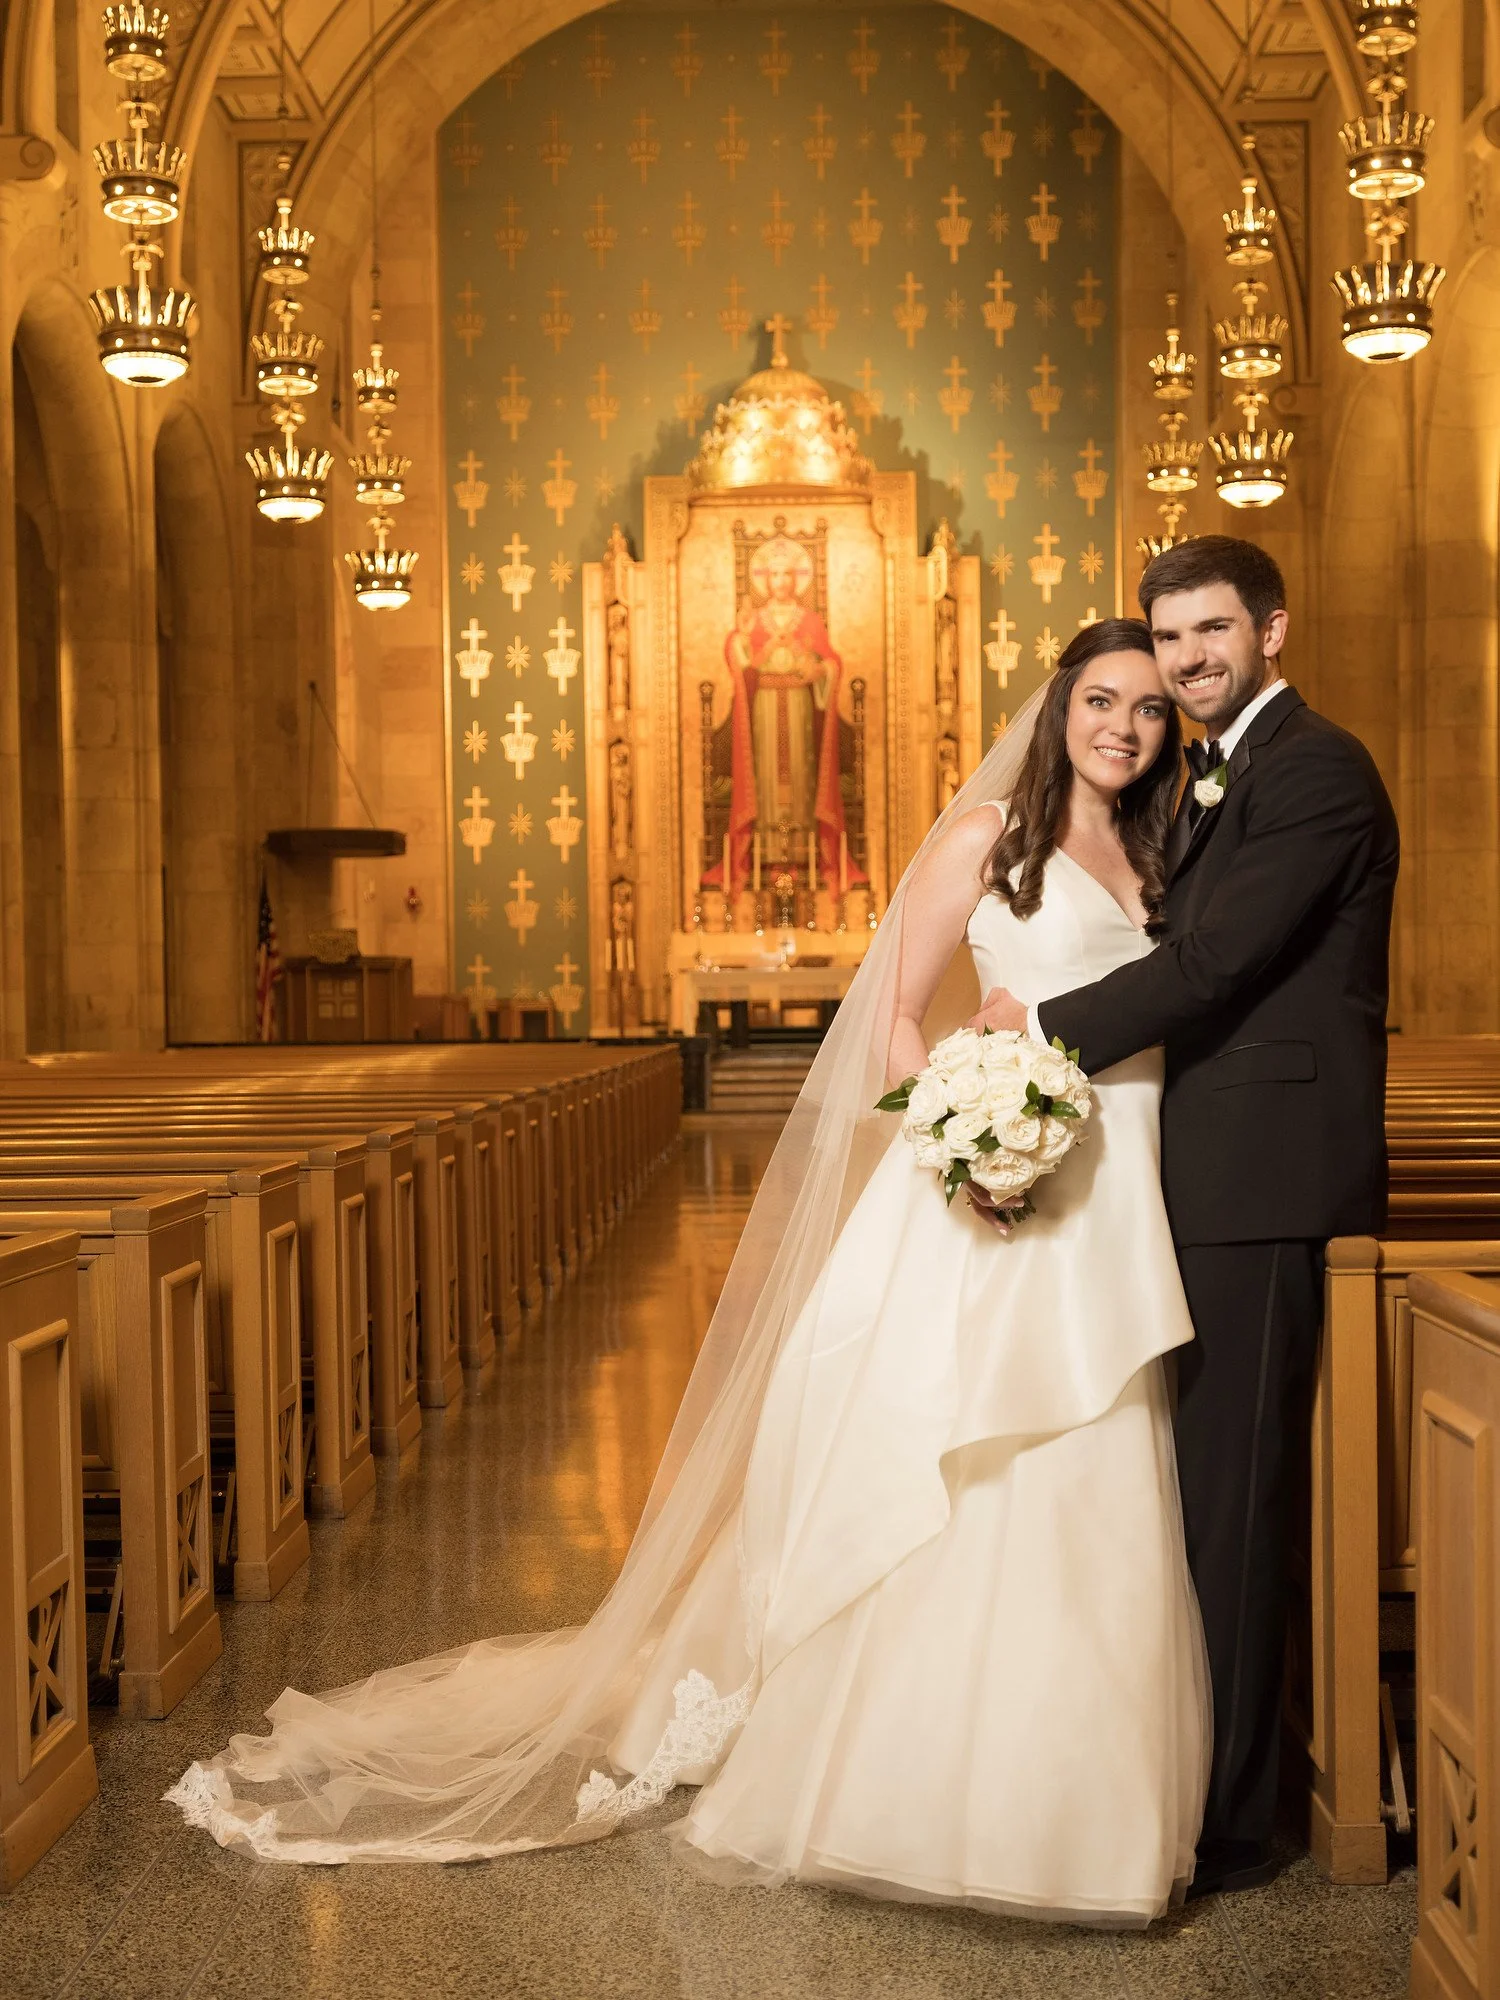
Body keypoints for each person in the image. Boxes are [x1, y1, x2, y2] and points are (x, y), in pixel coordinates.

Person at [168, 619, 1210, 1925]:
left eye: (1149, 709)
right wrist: (956, 1132)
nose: (1123, 726)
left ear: (1173, 727)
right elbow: (893, 1004)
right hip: (998, 1199)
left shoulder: (1176, 851)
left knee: (1096, 1468)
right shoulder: (986, 838)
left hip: (1121, 1204)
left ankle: (1090, 1814)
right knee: (964, 1469)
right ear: (1058, 708)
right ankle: (896, 1793)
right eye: (1100, 700)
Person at [975, 538, 1400, 1898]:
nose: (1188, 659)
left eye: (1211, 631)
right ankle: (1200, 1784)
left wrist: (1037, 1027)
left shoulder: (1316, 768)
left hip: (1265, 1171)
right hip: (1204, 1170)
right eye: (1169, 639)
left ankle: (1231, 1828)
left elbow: (1216, 964)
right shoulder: (1214, 777)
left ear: (1273, 628)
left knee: (1234, 1498)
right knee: (1199, 1495)